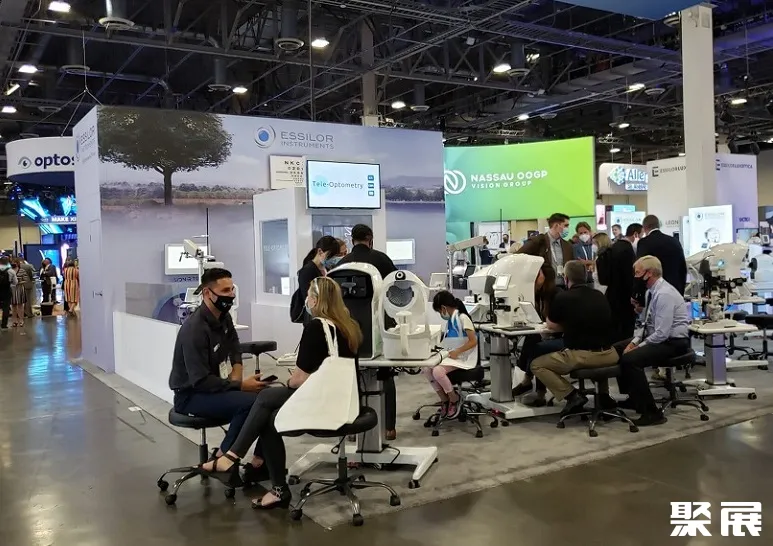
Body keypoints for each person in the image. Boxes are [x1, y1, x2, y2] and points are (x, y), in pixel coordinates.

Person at [200, 276, 363, 510]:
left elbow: (299, 380)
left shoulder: (316, 327)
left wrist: (288, 381)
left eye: (308, 296)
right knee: (268, 413)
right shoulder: (350, 327)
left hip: (322, 402)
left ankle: (235, 459)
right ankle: (247, 464)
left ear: (315, 300)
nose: (306, 301)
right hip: (345, 400)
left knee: (266, 400)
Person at [168, 268, 269, 476]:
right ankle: (223, 458)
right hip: (191, 396)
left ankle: (260, 463)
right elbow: (201, 381)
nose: (231, 295)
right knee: (251, 403)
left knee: (269, 399)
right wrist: (240, 386)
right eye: (225, 291)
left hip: (213, 387)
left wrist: (237, 369)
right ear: (207, 293)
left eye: (232, 289)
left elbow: (234, 344)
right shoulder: (194, 330)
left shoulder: (223, 317)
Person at [337, 223, 400, 440]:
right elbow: (396, 288)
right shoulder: (382, 260)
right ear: (370, 238)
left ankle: (353, 426)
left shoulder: (342, 264)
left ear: (352, 240)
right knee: (385, 373)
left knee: (352, 377)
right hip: (379, 325)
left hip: (349, 328)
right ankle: (389, 427)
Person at [531, 261, 619, 416]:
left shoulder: (563, 297)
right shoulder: (599, 295)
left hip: (583, 356)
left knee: (537, 365)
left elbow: (551, 325)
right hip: (610, 354)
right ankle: (603, 396)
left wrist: (567, 325)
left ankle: (572, 395)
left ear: (566, 278)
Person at [612, 256, 690, 427]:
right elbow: (646, 324)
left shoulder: (664, 294)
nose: (635, 277)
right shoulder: (651, 292)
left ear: (649, 273)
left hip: (674, 342)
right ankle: (634, 398)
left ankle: (651, 413)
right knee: (617, 349)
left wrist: (637, 347)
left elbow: (662, 333)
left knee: (631, 360)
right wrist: (634, 341)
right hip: (659, 337)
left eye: (638, 273)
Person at [512, 267, 564, 406]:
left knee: (538, 348)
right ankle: (528, 381)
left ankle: (530, 383)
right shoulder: (539, 295)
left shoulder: (557, 295)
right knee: (532, 339)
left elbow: (558, 323)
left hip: (561, 336)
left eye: (537, 275)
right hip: (546, 333)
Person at [426, 291, 478, 419]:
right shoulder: (451, 321)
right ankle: (444, 399)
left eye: (439, 311)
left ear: (443, 308)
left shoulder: (463, 318)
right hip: (451, 356)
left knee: (438, 371)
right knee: (426, 368)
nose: (441, 314)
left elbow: (473, 341)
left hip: (463, 357)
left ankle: (454, 399)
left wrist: (458, 351)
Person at [600, 223, 641, 343]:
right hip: (625, 298)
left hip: (612, 295)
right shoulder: (627, 250)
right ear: (636, 234)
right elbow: (629, 277)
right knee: (625, 333)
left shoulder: (615, 246)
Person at [635, 214, 688, 295]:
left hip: (654, 292)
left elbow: (640, 270)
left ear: (644, 228)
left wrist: (637, 294)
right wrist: (681, 292)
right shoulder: (674, 241)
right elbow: (683, 269)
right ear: (658, 225)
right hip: (675, 290)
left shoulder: (644, 243)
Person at [518, 213, 573, 286]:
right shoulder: (538, 241)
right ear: (556, 225)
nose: (567, 228)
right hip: (545, 287)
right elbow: (518, 256)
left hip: (564, 286)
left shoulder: (568, 245)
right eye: (566, 225)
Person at [296, 236, 341, 323]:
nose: (333, 259)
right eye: (330, 256)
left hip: (328, 316)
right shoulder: (307, 271)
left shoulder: (328, 269)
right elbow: (309, 298)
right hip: (314, 318)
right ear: (320, 251)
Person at [0, 256, 17, 330]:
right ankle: (4, 324)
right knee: (6, 308)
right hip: (6, 291)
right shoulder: (11, 271)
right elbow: (15, 282)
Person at [10, 259, 28, 327]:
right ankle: (14, 321)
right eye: (12, 262)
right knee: (13, 306)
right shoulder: (9, 271)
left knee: (20, 305)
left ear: (17, 263)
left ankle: (21, 320)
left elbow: (26, 279)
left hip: (20, 289)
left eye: (14, 262)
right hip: (12, 289)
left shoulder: (22, 271)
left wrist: (19, 282)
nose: (13, 264)